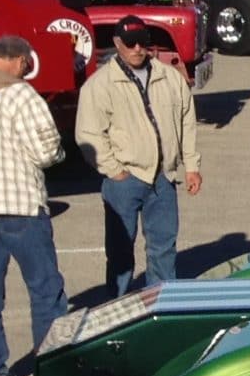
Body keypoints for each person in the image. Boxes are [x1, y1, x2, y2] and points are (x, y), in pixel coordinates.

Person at [76, 18, 202, 295]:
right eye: (129, 43)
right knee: (120, 254)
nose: (136, 48)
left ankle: (161, 307)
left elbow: (186, 121)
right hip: (125, 179)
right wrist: (114, 170)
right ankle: (117, 308)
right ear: (117, 43)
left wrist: (191, 165)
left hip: (163, 178)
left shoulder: (169, 77)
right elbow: (88, 134)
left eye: (142, 42)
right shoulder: (100, 85)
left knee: (164, 248)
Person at [0, 33, 68, 376]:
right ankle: (53, 367)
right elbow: (45, 150)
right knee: (45, 288)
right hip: (19, 204)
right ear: (20, 62)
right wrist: (59, 156)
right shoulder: (20, 94)